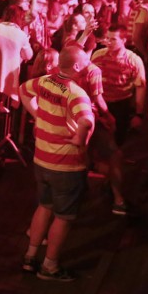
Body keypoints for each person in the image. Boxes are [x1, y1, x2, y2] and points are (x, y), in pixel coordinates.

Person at [19, 46, 95, 281]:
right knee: (63, 217)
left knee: (44, 206)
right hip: (65, 165)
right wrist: (80, 139)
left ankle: (30, 257)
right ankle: (49, 266)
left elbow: (23, 89)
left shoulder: (44, 81)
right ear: (76, 66)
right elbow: (86, 121)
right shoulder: (76, 93)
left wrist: (36, 113)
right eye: (84, 62)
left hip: (42, 160)